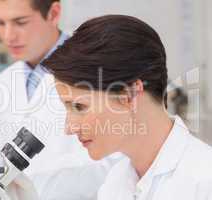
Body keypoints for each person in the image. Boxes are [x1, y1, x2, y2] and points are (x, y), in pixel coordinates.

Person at [0, 0, 115, 199]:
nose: (8, 36)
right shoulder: (2, 83)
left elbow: (105, 166)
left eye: (21, 22)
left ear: (54, 13)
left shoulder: (95, 72)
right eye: (0, 23)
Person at [42, 15, 212, 199]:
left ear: (129, 95)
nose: (70, 128)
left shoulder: (204, 181)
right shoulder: (116, 183)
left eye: (80, 106)